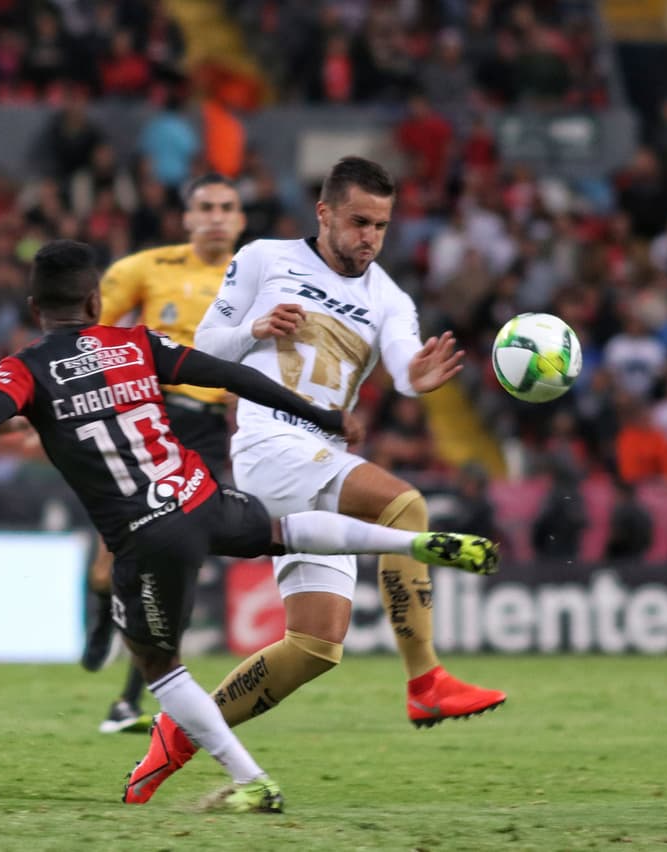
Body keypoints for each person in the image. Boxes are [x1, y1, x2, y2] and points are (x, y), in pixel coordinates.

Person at [0, 240, 498, 812]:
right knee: (286, 532)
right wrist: (318, 414)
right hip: (203, 496)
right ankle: (411, 542)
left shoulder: (23, 370)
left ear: (35, 306)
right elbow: (232, 376)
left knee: (160, 666)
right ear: (95, 301)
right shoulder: (136, 343)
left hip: (147, 536)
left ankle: (253, 779)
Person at [125, 156, 507, 805]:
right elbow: (204, 346)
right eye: (359, 221)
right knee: (405, 508)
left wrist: (419, 377)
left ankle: (178, 734)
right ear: (325, 213)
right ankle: (426, 682)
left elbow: (403, 366)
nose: (369, 238)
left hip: (318, 453)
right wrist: (254, 328)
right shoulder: (264, 259)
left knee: (314, 645)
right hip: (270, 442)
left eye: (381, 226)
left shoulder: (389, 296)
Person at [81, 173, 245, 735]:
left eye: (227, 207)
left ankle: (129, 700)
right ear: (187, 217)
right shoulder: (144, 270)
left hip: (205, 432)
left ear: (241, 219)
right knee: (115, 555)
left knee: (174, 557)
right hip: (145, 417)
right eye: (206, 206)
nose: (217, 216)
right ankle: (101, 613)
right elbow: (87, 332)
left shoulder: (258, 275)